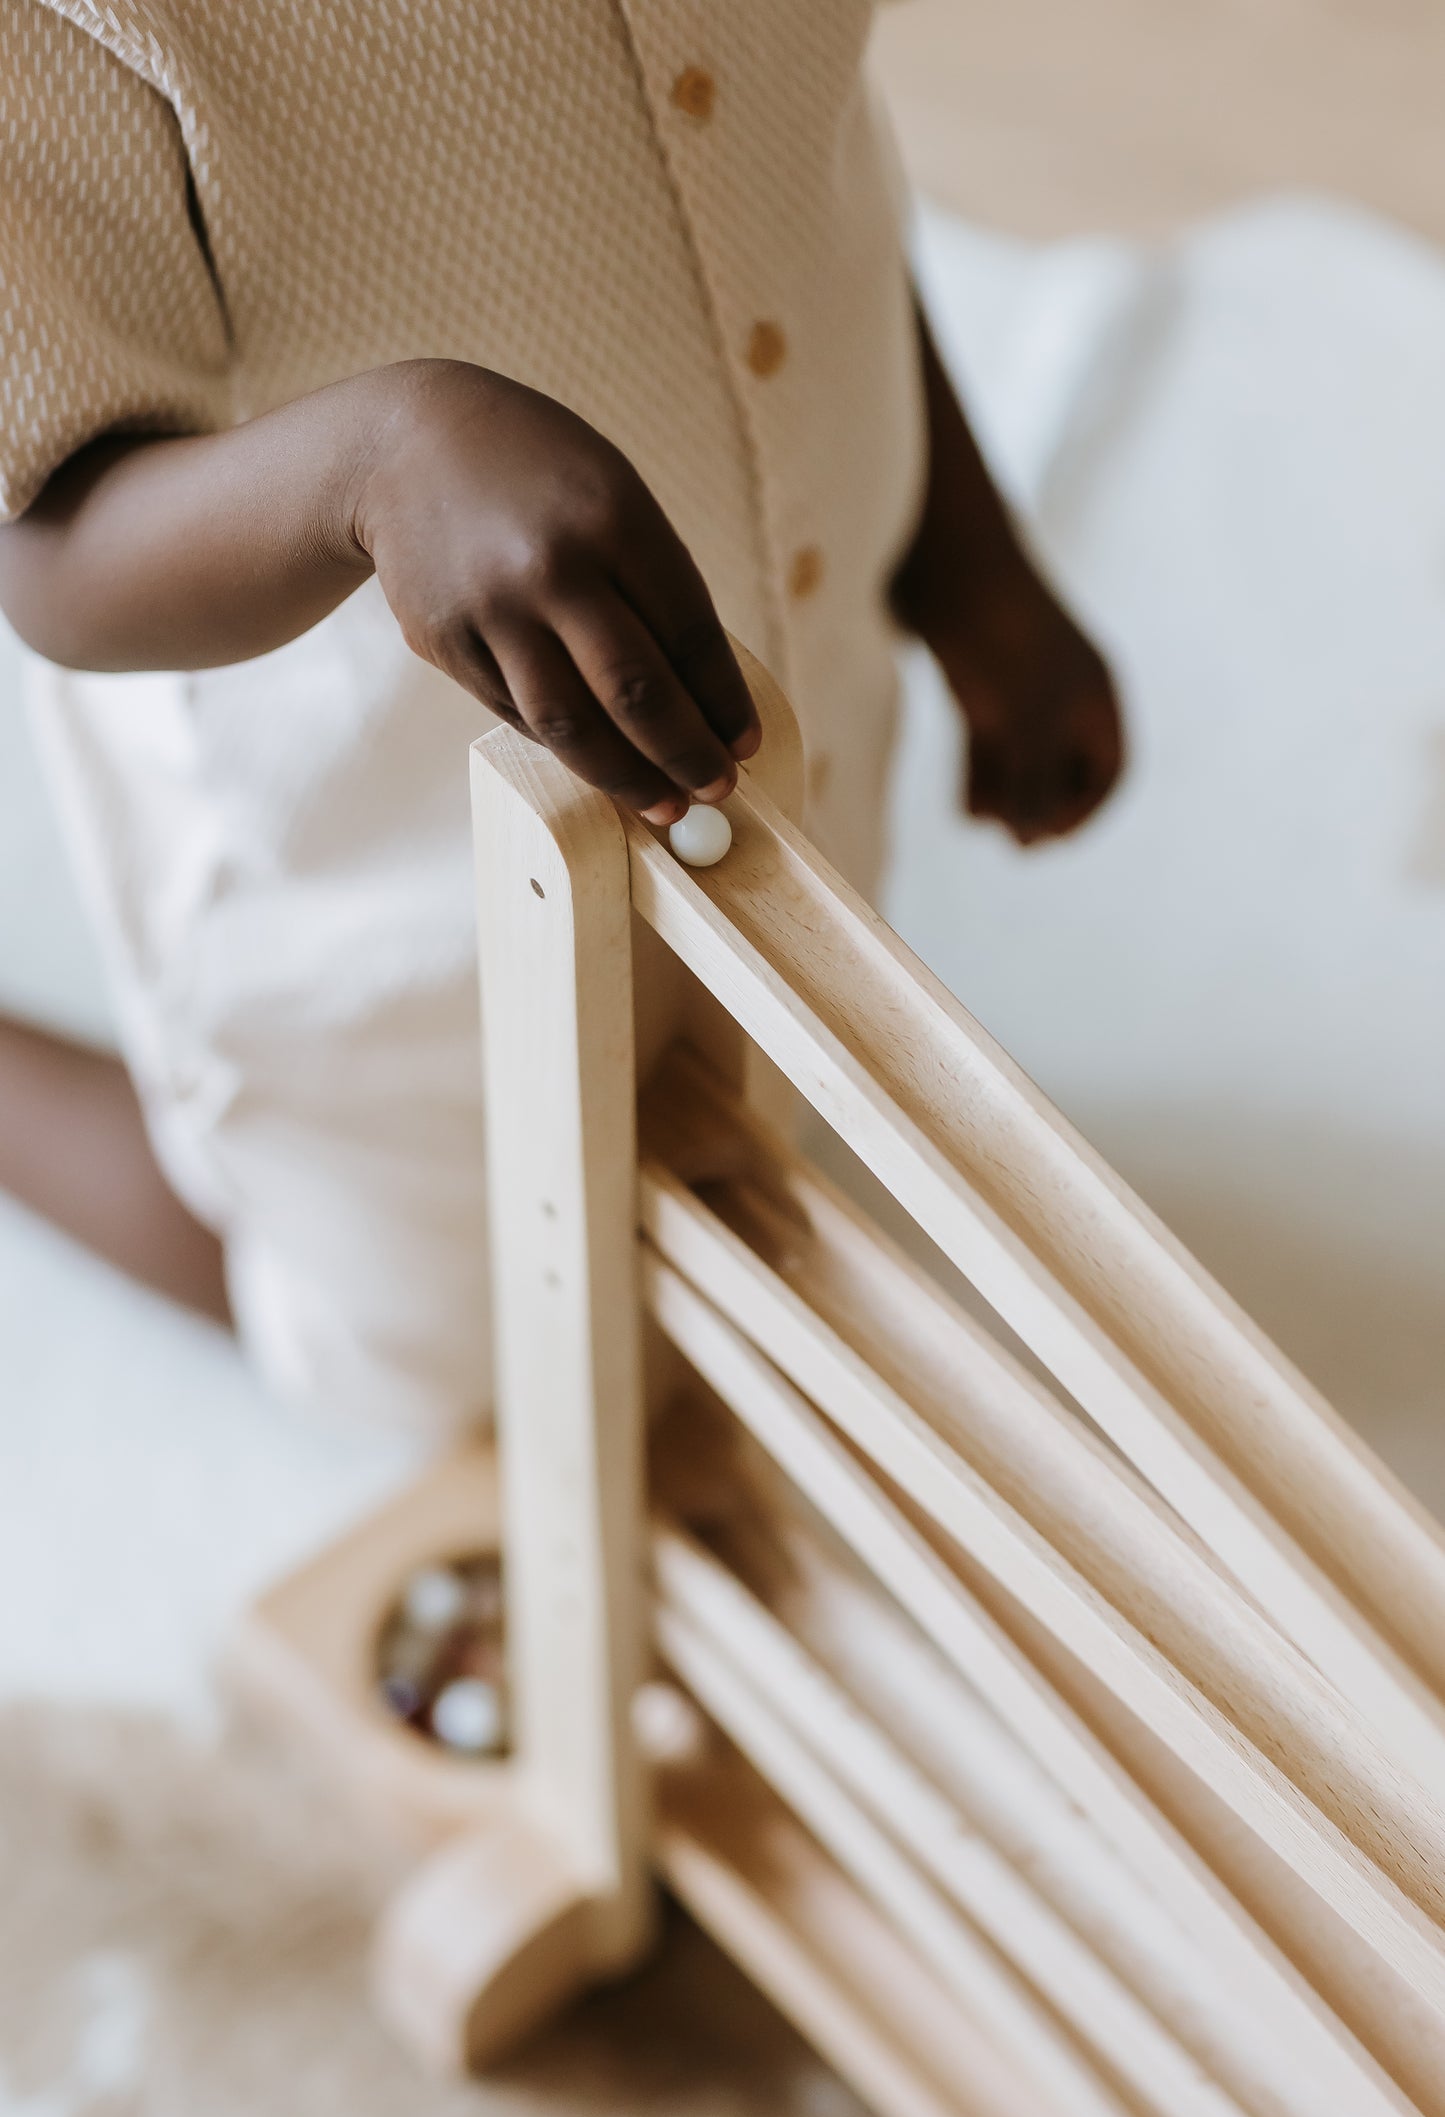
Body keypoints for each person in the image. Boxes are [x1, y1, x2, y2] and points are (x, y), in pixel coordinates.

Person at [0, 0, 1123, 1439]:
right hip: (398, 870)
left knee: (736, 1094)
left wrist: (971, 564)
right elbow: (49, 548)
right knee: (433, 1321)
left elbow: (783, 156)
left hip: (782, 696)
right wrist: (376, 463)